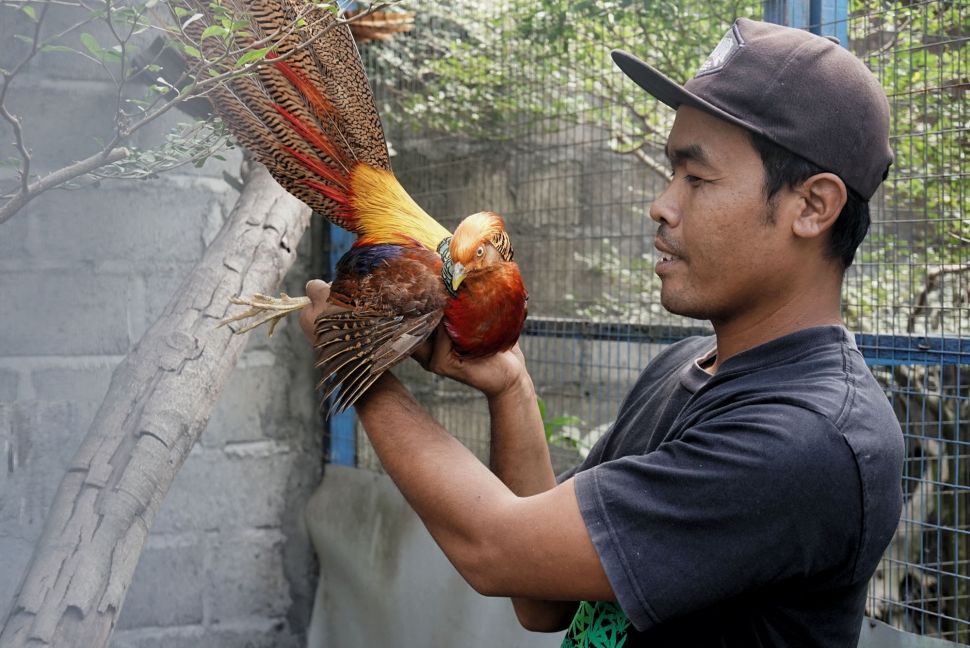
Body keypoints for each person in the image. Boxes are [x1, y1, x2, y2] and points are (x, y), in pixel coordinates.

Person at [300, 18, 904, 647]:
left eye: (697, 178)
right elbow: (541, 598)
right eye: (672, 173)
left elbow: (493, 549)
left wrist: (360, 369)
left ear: (812, 207)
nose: (662, 204)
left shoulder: (808, 437)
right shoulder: (683, 368)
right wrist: (510, 387)